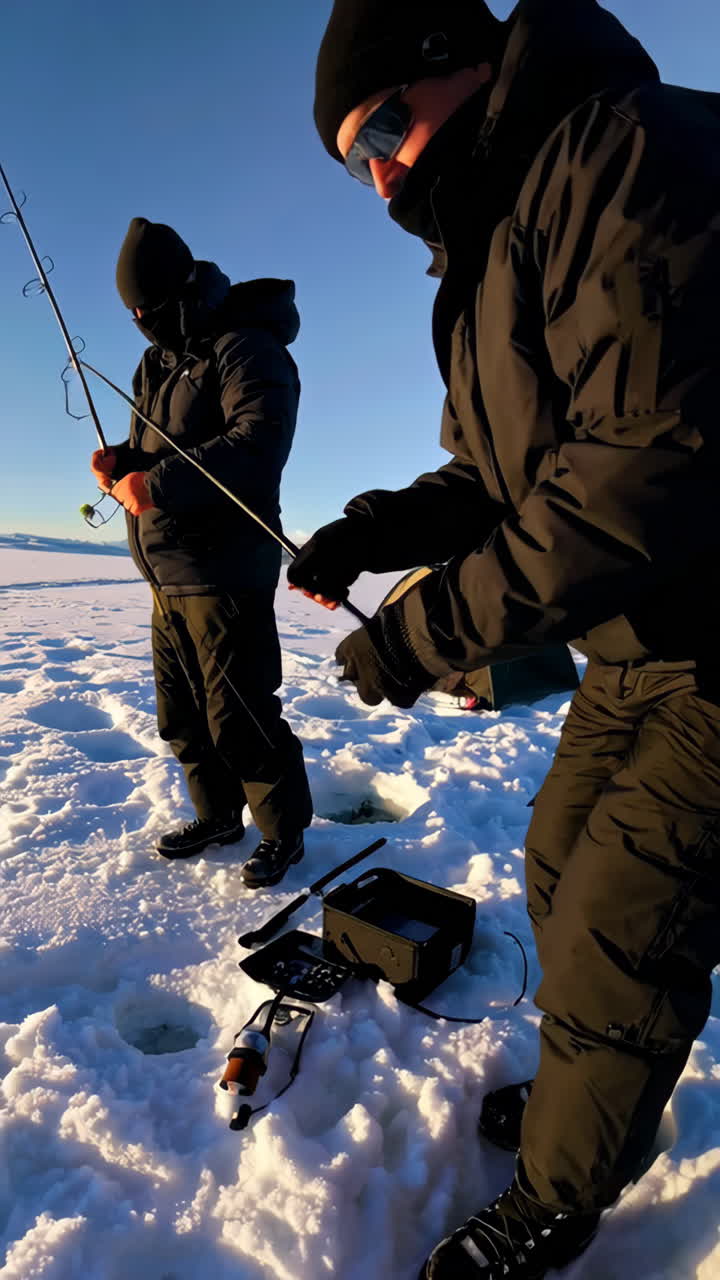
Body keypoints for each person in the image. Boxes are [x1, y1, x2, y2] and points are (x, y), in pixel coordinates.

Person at [291, 1, 720, 1274]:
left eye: (379, 129)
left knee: (615, 919)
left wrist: (419, 633)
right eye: (348, 160)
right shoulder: (492, 244)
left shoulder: (626, 156)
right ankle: (594, 1090)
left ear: (455, 63)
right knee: (555, 859)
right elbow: (497, 473)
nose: (375, 177)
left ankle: (562, 1189)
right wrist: (366, 533)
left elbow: (636, 477)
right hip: (638, 647)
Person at [92, 217, 312, 887]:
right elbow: (159, 448)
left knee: (240, 713)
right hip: (165, 573)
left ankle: (284, 833)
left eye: (149, 308)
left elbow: (256, 444)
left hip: (226, 571)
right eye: (132, 312)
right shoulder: (157, 362)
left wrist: (152, 484)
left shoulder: (247, 347)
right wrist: (121, 464)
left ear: (183, 289)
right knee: (181, 716)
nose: (141, 321)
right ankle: (218, 815)